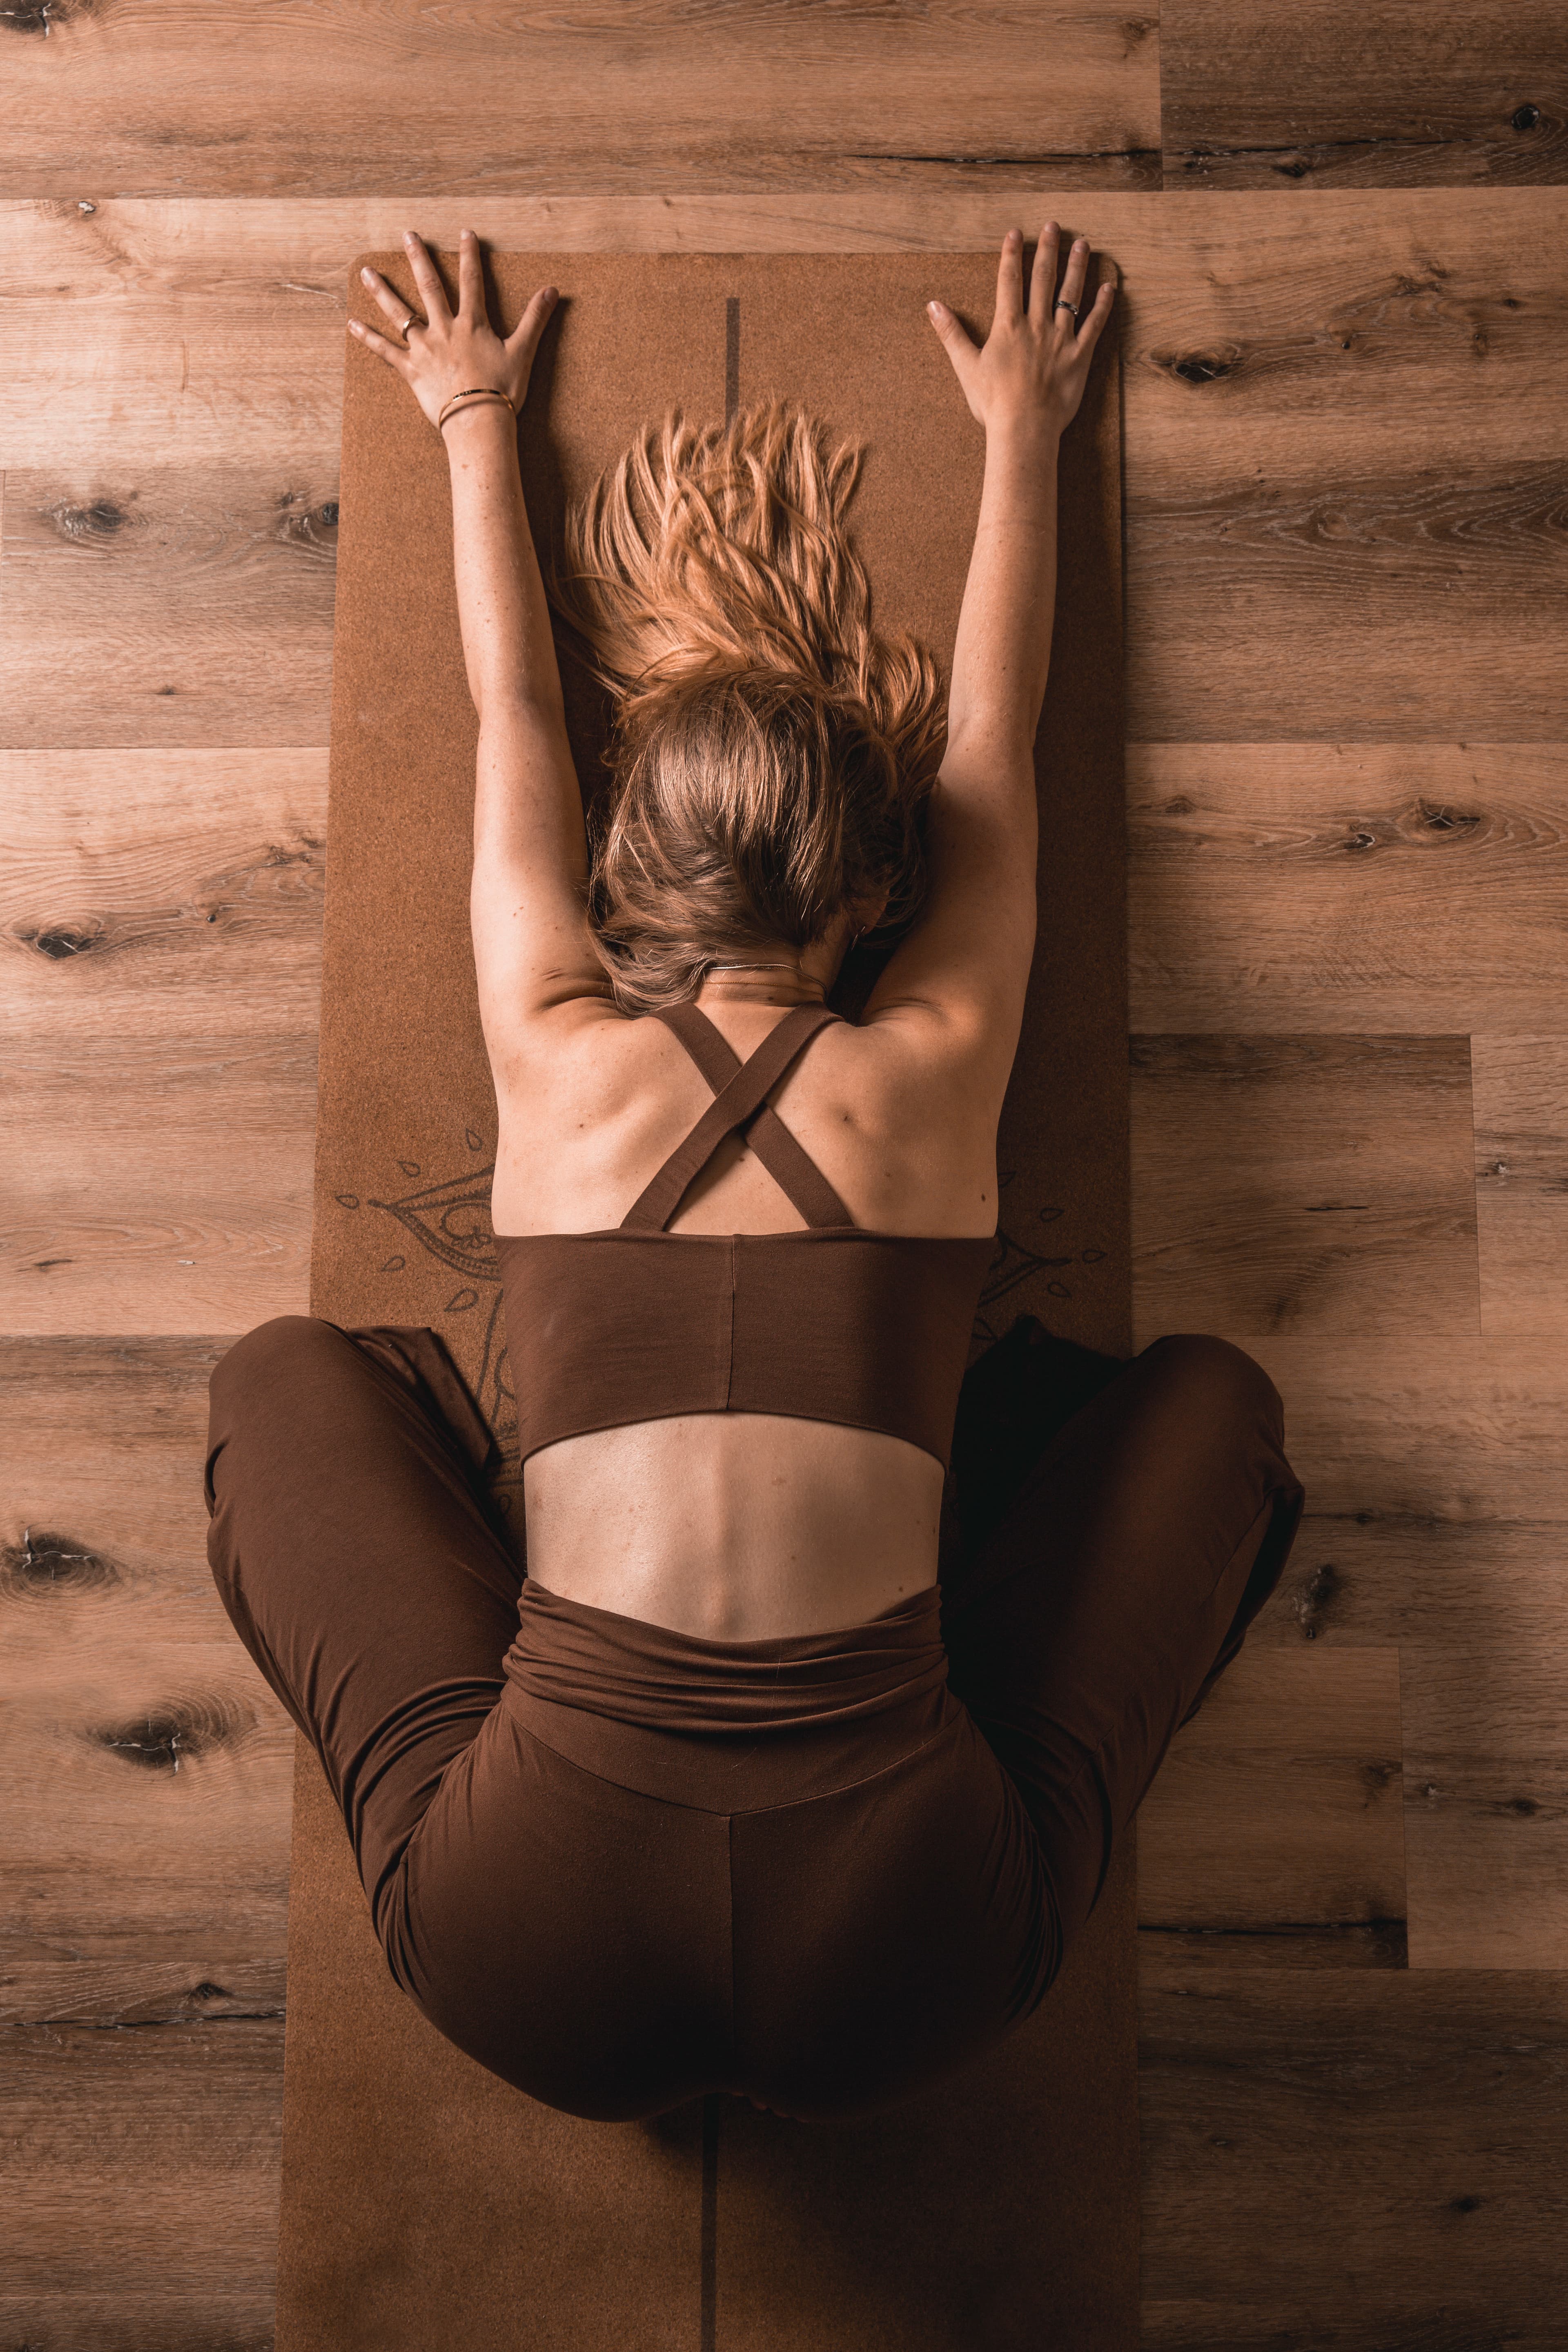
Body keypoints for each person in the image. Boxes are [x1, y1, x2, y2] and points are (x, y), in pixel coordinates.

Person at [204, 224, 1305, 2124]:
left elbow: (519, 717)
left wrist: (474, 420)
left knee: (271, 1381)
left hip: (522, 1957)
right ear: (878, 902)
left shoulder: (551, 1042)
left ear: (625, 885)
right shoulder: (937, 1064)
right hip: (916, 1961)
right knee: (1218, 1400)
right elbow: (992, 742)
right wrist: (1026, 433)